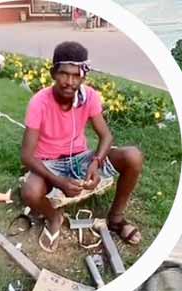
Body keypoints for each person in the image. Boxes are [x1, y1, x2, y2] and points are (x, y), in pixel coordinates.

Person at [20, 41, 145, 252]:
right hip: (50, 163)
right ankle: (54, 217)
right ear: (52, 73)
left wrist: (95, 163)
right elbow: (26, 156)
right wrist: (59, 182)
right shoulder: (38, 103)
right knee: (30, 192)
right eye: (64, 74)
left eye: (76, 75)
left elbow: (106, 136)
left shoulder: (89, 97)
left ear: (83, 77)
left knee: (133, 156)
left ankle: (115, 219)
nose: (70, 82)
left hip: (81, 158)